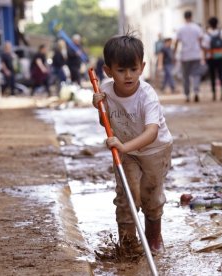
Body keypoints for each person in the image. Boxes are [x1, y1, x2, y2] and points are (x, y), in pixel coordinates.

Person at [92, 34, 173, 254]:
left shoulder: (147, 95)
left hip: (154, 150)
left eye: (133, 69)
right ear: (108, 71)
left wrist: (124, 147)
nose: (128, 76)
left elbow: (152, 132)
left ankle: (153, 237)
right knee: (127, 194)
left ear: (142, 67)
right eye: (121, 70)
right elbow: (106, 122)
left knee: (151, 194)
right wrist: (100, 108)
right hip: (125, 150)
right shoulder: (106, 91)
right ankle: (128, 243)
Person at [174, 10, 204, 102]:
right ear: (191, 17)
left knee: (185, 76)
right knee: (196, 74)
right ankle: (196, 92)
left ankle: (187, 95)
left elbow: (177, 42)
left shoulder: (181, 28)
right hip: (196, 54)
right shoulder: (197, 28)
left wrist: (174, 53)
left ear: (184, 17)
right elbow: (200, 41)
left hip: (185, 55)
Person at [202, 17, 222, 101]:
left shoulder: (206, 35)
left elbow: (205, 47)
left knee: (212, 76)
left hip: (211, 57)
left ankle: (214, 94)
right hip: (220, 56)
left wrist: (205, 57)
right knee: (221, 75)